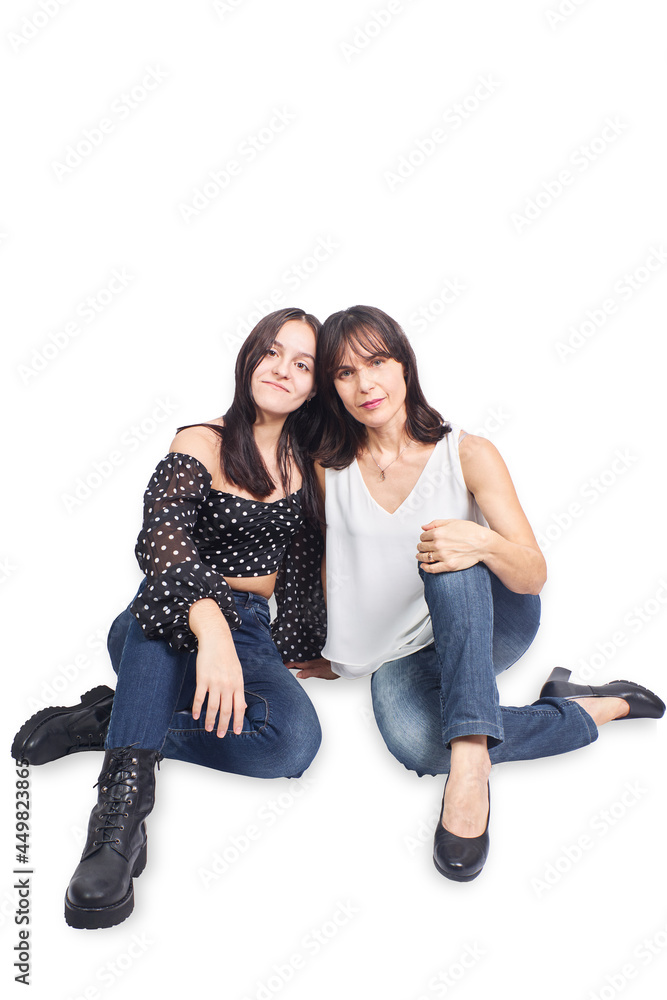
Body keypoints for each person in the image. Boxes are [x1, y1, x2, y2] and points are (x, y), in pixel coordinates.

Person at [296, 304, 665, 883]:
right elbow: (334, 565)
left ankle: (470, 767)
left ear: (404, 365)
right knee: (419, 744)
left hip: (491, 616)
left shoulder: (466, 453)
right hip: (404, 648)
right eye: (345, 372)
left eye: (377, 362)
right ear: (332, 387)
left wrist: (482, 542)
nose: (365, 384)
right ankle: (589, 706)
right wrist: (336, 651)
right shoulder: (327, 468)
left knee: (450, 548)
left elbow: (533, 574)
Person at [11, 307, 327, 928]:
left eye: (302, 364)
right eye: (271, 351)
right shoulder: (201, 441)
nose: (282, 370)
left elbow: (299, 570)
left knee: (291, 743)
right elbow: (162, 541)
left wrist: (307, 646)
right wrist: (209, 622)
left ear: (314, 388)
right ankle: (118, 824)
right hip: (164, 615)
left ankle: (113, 719)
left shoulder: (308, 462)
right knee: (161, 623)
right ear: (249, 357)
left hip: (248, 630)